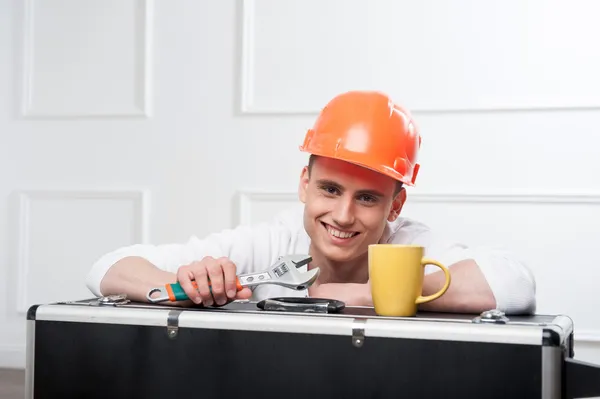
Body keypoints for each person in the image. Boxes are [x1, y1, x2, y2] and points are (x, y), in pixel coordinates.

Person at [86, 91, 536, 315]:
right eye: (330, 190)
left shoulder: (412, 246)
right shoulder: (268, 243)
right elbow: (107, 268)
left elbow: (515, 284)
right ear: (305, 184)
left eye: (367, 198)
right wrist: (180, 286)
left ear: (395, 207)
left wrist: (358, 295)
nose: (343, 216)